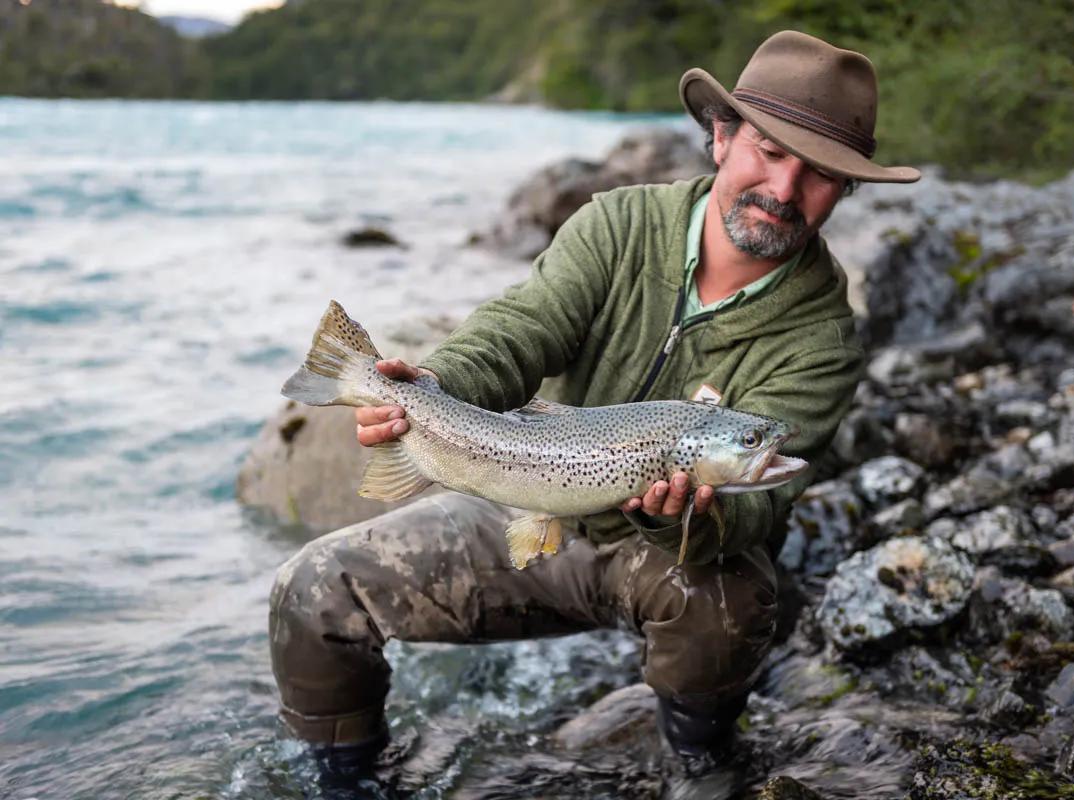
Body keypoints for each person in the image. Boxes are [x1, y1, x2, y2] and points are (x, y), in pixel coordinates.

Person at [268, 29, 920, 795]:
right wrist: (435, 381)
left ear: (844, 191)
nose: (783, 189)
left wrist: (674, 512)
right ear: (721, 136)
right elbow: (525, 325)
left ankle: (700, 754)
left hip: (667, 556)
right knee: (310, 589)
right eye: (768, 153)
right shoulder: (616, 225)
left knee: (736, 597)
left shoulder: (822, 340)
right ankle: (350, 777)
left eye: (816, 175)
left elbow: (756, 508)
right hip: (522, 494)